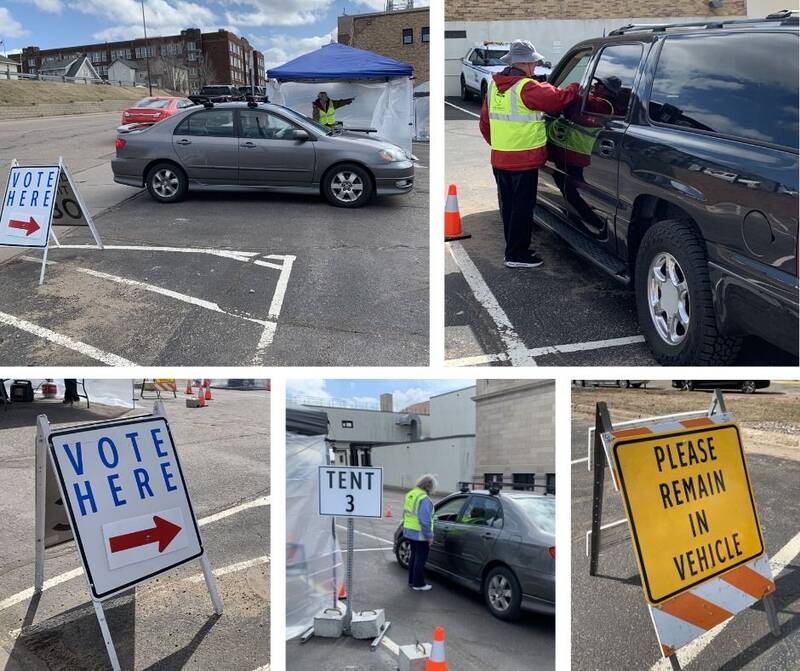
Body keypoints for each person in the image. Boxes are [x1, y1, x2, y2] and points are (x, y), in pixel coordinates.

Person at [479, 40, 581, 268]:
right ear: (523, 63)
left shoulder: (494, 87)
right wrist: (576, 87)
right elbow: (559, 99)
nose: (535, 66)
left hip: (500, 159)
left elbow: (485, 123)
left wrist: (499, 146)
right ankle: (517, 255)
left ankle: (512, 249)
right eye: (533, 62)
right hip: (523, 162)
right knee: (523, 209)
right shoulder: (527, 87)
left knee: (509, 207)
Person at [403, 474, 437, 591]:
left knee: (414, 556)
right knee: (420, 558)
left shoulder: (411, 494)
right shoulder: (424, 499)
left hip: (409, 530)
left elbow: (406, 513)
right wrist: (429, 536)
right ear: (429, 486)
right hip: (420, 533)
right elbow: (425, 520)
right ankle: (419, 584)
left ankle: (412, 581)